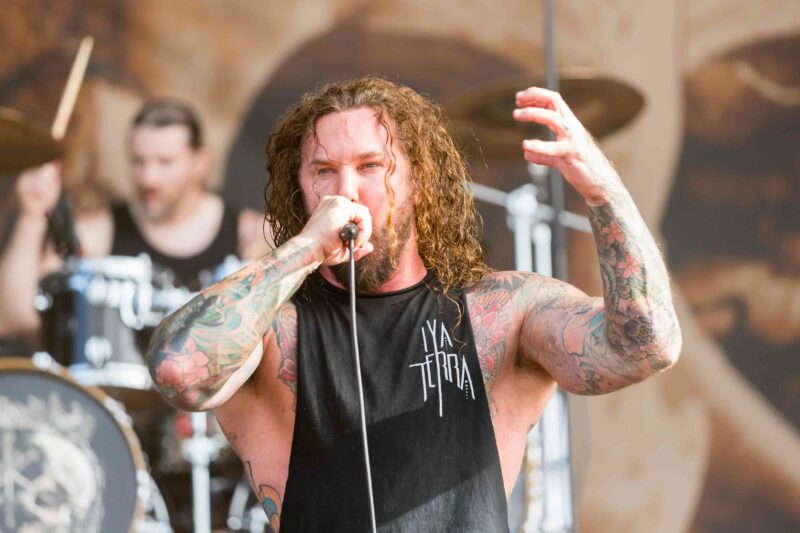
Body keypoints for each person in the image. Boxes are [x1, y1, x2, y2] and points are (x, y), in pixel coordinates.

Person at [147, 77, 682, 532]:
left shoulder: (502, 313)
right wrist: (305, 249)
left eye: (371, 165)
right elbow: (178, 370)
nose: (346, 191)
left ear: (420, 182)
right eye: (323, 171)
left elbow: (646, 346)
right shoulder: (273, 329)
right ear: (301, 189)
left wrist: (604, 192)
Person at [0, 99, 268, 342]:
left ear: (201, 162)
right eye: (138, 162)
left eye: (165, 162)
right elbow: (14, 319)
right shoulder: (99, 231)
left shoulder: (251, 234)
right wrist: (32, 214)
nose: (148, 178)